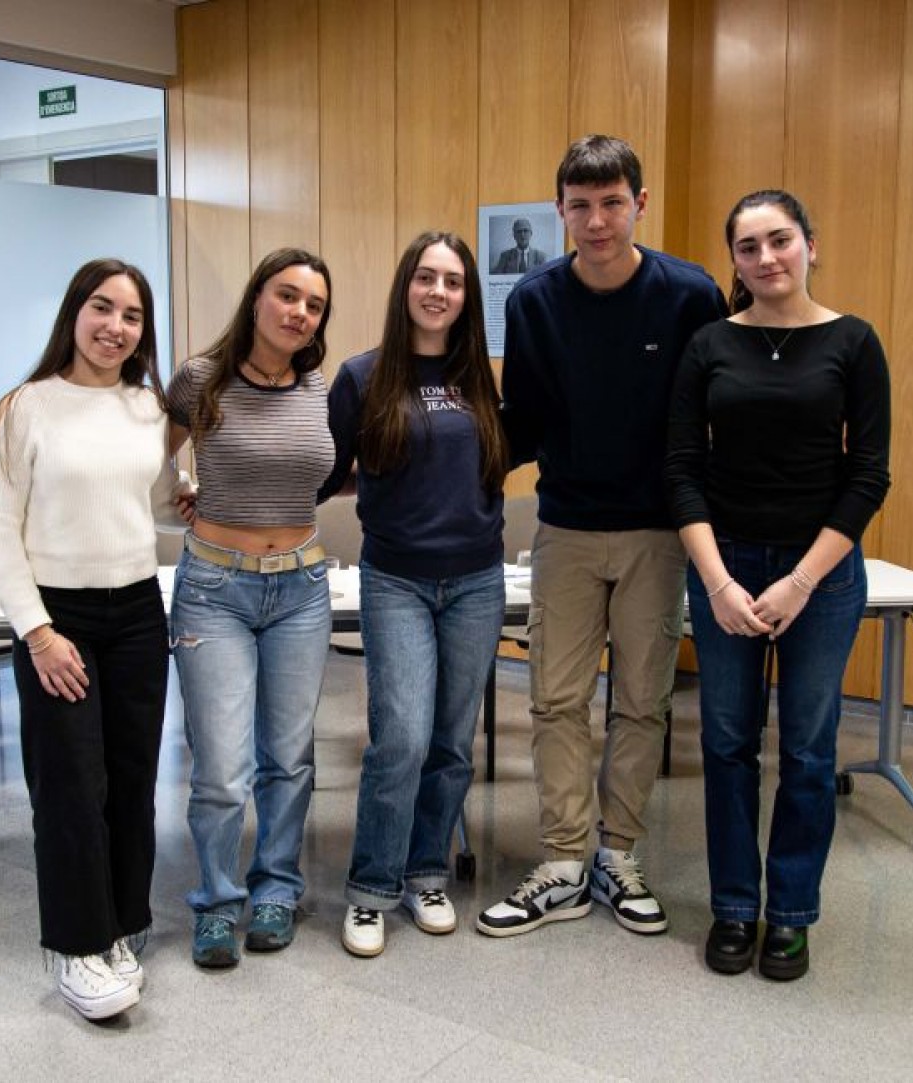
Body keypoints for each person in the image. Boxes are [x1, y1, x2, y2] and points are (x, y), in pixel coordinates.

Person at [477, 134, 727, 939]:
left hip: (659, 530)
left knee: (643, 701)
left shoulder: (691, 294)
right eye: (580, 206)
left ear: (639, 205)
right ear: (559, 211)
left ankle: (618, 852)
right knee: (555, 699)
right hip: (568, 528)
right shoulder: (533, 301)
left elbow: (714, 415)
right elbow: (522, 422)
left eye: (612, 203)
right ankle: (562, 860)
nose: (596, 221)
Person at [664, 189, 891, 981]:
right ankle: (734, 905)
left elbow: (868, 475)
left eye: (780, 240)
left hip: (820, 575)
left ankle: (790, 913)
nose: (766, 258)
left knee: (806, 749)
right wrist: (718, 583)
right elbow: (681, 470)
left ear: (810, 245)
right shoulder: (709, 345)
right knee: (726, 744)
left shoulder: (853, 342)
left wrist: (798, 581)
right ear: (734, 258)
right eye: (748, 246)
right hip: (725, 565)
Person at [0, 257, 179, 1021]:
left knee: (131, 779)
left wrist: (187, 498)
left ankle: (121, 924)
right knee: (69, 784)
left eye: (132, 316)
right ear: (74, 311)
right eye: (102, 307)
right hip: (58, 618)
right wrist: (37, 632)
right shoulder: (23, 406)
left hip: (137, 611)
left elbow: (154, 497)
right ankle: (75, 944)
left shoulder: (149, 407)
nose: (115, 327)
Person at [319, 232, 510, 958]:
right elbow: (326, 470)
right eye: (426, 277)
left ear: (467, 297)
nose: (438, 292)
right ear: (406, 286)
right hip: (396, 578)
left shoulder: (477, 378)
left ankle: (426, 873)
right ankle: (371, 887)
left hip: (476, 580)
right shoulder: (362, 376)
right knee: (399, 738)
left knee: (452, 742)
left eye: (453, 282)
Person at [166, 248, 336, 970]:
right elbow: (149, 452)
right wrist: (177, 482)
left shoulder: (320, 386)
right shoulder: (200, 378)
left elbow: (332, 471)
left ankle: (275, 889)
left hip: (301, 587)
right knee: (222, 764)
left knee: (289, 757)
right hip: (215, 587)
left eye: (314, 305)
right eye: (287, 295)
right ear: (257, 297)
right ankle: (216, 899)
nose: (300, 312)